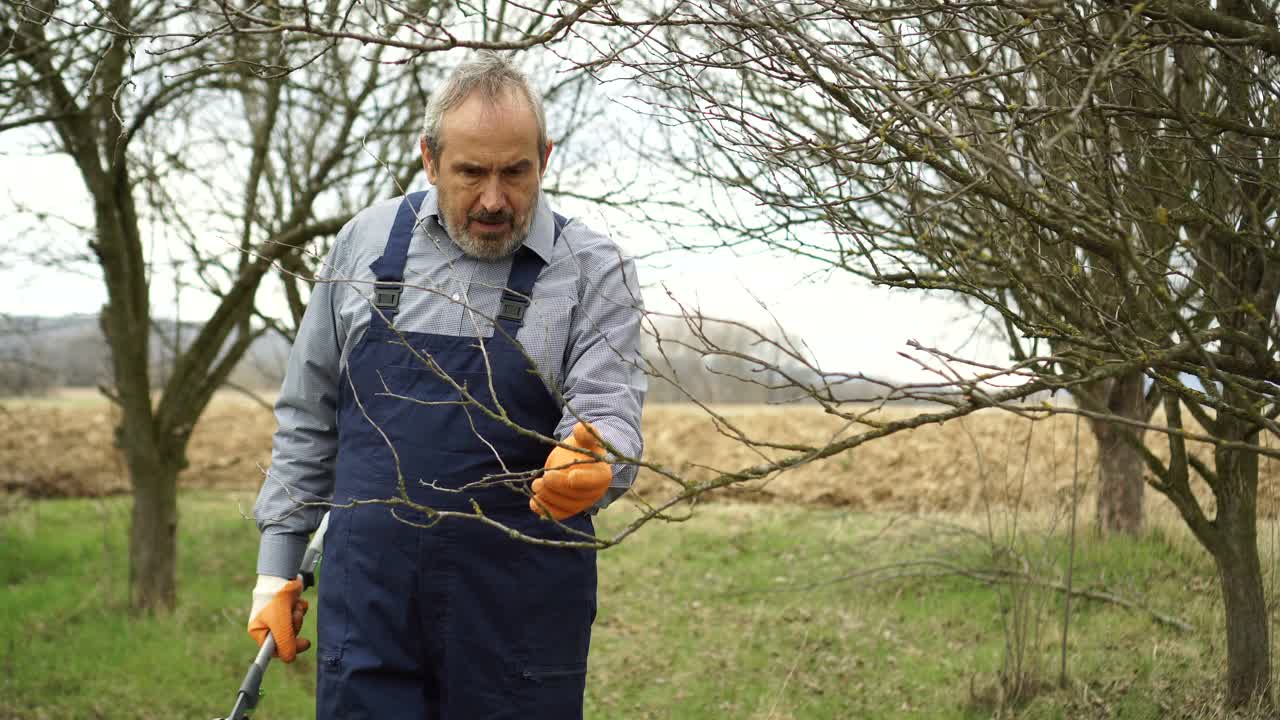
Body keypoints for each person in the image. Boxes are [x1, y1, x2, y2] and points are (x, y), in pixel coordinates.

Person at [247, 51, 646, 719]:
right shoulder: (361, 247)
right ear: (430, 161)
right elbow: (310, 417)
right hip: (369, 612)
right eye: (471, 173)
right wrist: (275, 565)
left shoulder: (593, 270)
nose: (495, 199)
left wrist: (594, 459)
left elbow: (608, 410)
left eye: (516, 172)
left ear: (544, 158)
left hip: (520, 621)